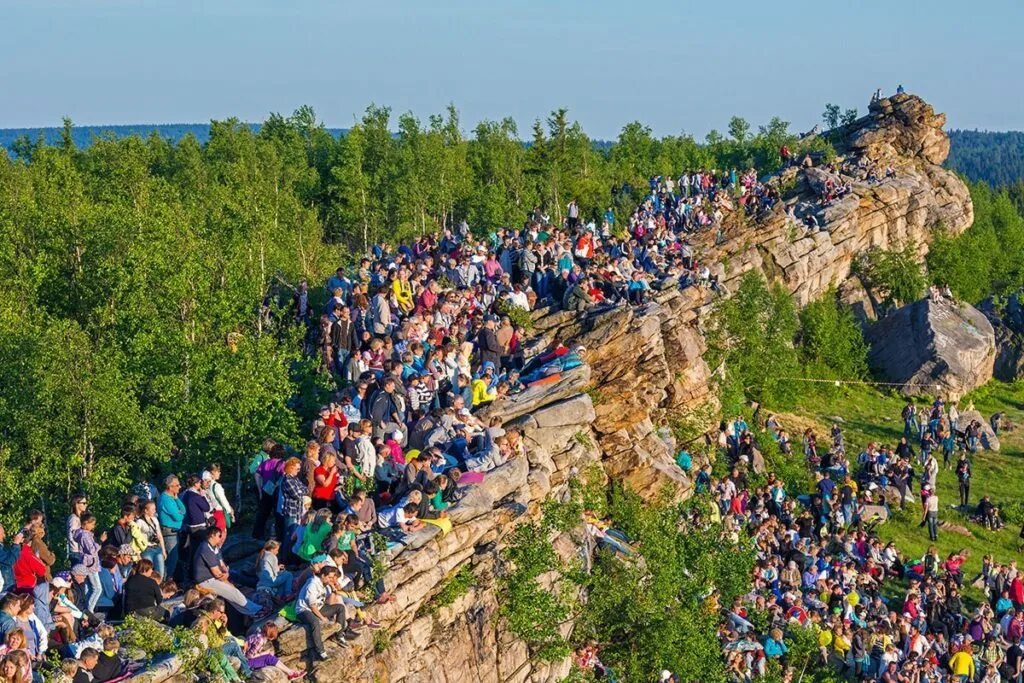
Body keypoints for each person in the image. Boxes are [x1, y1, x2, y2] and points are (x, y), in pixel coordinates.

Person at [191, 527, 264, 618]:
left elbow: (221, 563)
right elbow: (216, 572)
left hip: (213, 578)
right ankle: (257, 610)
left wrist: (226, 572)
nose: (221, 538)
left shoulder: (213, 547)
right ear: (212, 535)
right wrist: (226, 576)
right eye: (219, 535)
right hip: (206, 581)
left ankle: (252, 611)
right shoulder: (205, 548)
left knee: (233, 592)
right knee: (233, 592)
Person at [157, 475, 185, 582]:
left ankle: (170, 580)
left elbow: (183, 510)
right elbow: (178, 517)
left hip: (174, 532)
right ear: (170, 487)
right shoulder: (165, 499)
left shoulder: (172, 498)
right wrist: (180, 515)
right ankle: (166, 581)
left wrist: (177, 498)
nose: (180, 487)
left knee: (175, 558)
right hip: (169, 533)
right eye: (177, 485)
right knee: (172, 559)